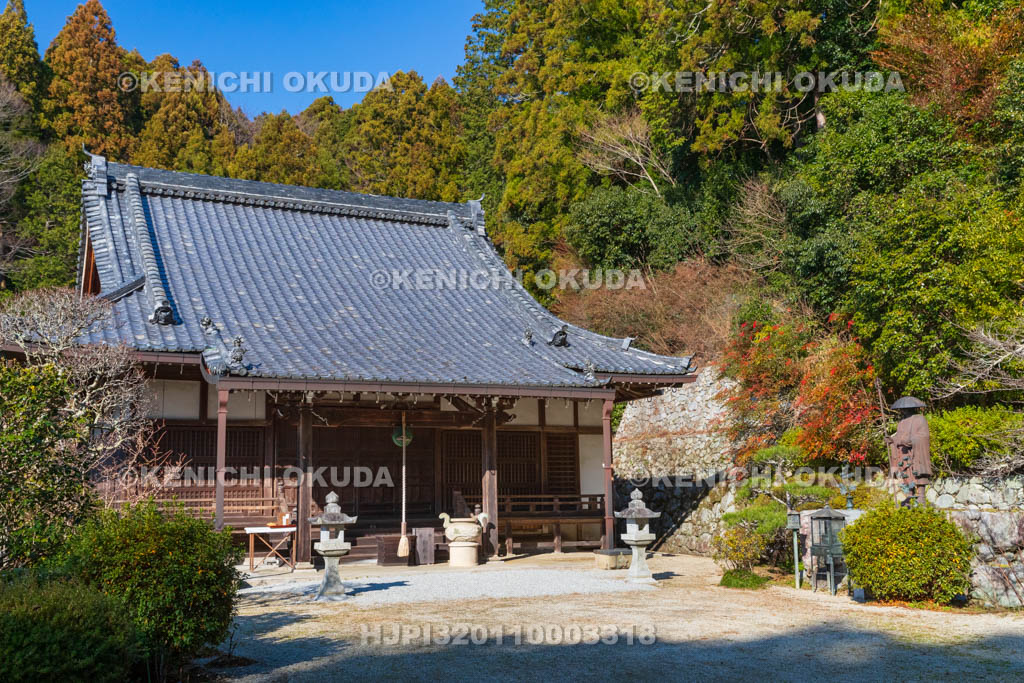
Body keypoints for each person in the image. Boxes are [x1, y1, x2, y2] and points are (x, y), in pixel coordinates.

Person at [885, 396, 932, 505]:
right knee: (906, 473)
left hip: (915, 452)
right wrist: (891, 440)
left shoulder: (920, 419)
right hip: (904, 452)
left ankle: (921, 496)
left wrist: (910, 440)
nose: (903, 411)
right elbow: (898, 437)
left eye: (905, 409)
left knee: (918, 472)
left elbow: (924, 436)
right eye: (902, 409)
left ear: (912, 408)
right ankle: (910, 495)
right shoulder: (902, 422)